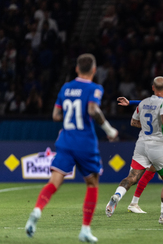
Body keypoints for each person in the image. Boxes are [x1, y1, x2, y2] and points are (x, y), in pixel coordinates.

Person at [25, 54, 118, 243]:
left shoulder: (65, 88)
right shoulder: (94, 88)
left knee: (54, 183)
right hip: (85, 144)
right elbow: (93, 110)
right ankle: (85, 229)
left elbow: (56, 115)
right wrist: (109, 130)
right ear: (93, 70)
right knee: (92, 184)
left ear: (76, 69)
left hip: (66, 142)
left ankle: (37, 210)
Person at [105, 76, 163, 224]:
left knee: (132, 177)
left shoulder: (143, 103)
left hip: (141, 145)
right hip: (159, 146)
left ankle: (117, 196)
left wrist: (146, 127)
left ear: (152, 88)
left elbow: (133, 122)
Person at [117, 84, 163, 213]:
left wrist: (130, 103)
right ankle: (134, 203)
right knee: (151, 174)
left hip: (153, 141)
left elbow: (145, 103)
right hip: (161, 144)